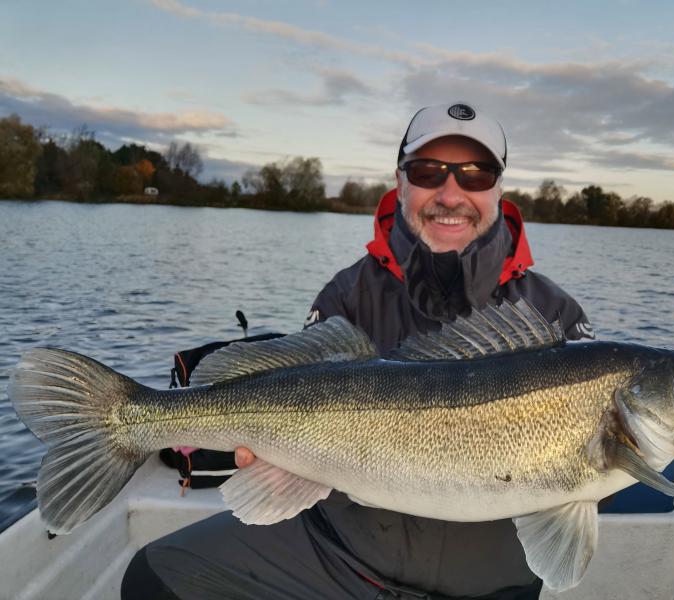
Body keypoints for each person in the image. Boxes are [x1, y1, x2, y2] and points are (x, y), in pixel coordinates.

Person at [121, 102, 594, 600]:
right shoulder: (348, 294)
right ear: (400, 181)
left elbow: (588, 491)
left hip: (490, 586)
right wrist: (275, 462)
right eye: (428, 172)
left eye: (476, 175)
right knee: (155, 577)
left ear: (498, 188)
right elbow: (294, 398)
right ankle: (128, 420)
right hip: (341, 561)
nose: (451, 194)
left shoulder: (553, 314)